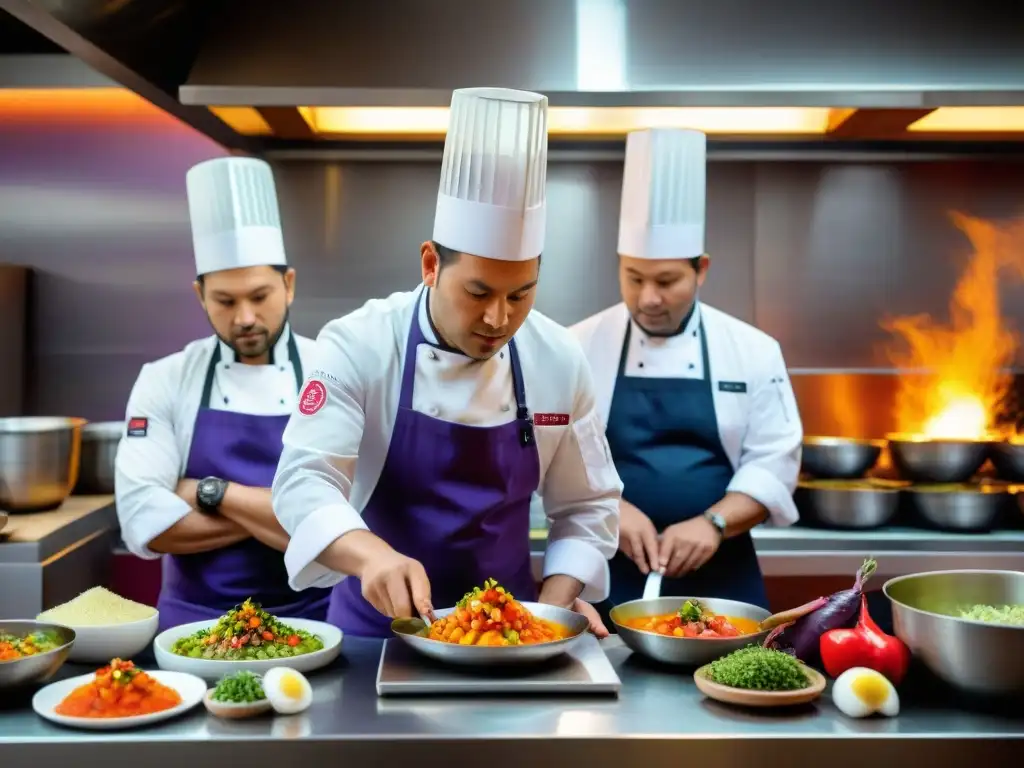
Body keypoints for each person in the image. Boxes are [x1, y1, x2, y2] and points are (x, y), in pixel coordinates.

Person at [271, 87, 622, 638]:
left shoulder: (558, 358)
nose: (499, 319)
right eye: (478, 292)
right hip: (377, 637)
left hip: (512, 638)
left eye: (521, 294)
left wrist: (554, 606)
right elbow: (303, 481)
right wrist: (368, 556)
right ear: (431, 263)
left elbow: (587, 504)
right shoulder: (359, 345)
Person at [570, 128, 802, 618]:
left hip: (723, 570)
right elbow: (554, 456)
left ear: (702, 270)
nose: (648, 298)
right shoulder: (577, 347)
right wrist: (610, 508)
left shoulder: (753, 351)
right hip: (605, 565)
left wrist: (713, 522)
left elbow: (775, 460)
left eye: (666, 281)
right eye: (633, 277)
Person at [114, 156, 331, 629]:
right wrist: (287, 514)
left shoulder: (330, 373)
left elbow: (347, 516)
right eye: (225, 301)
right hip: (193, 628)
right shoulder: (166, 378)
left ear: (288, 285)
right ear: (200, 295)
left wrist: (210, 492)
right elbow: (141, 521)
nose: (245, 318)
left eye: (259, 296)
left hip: (314, 623)